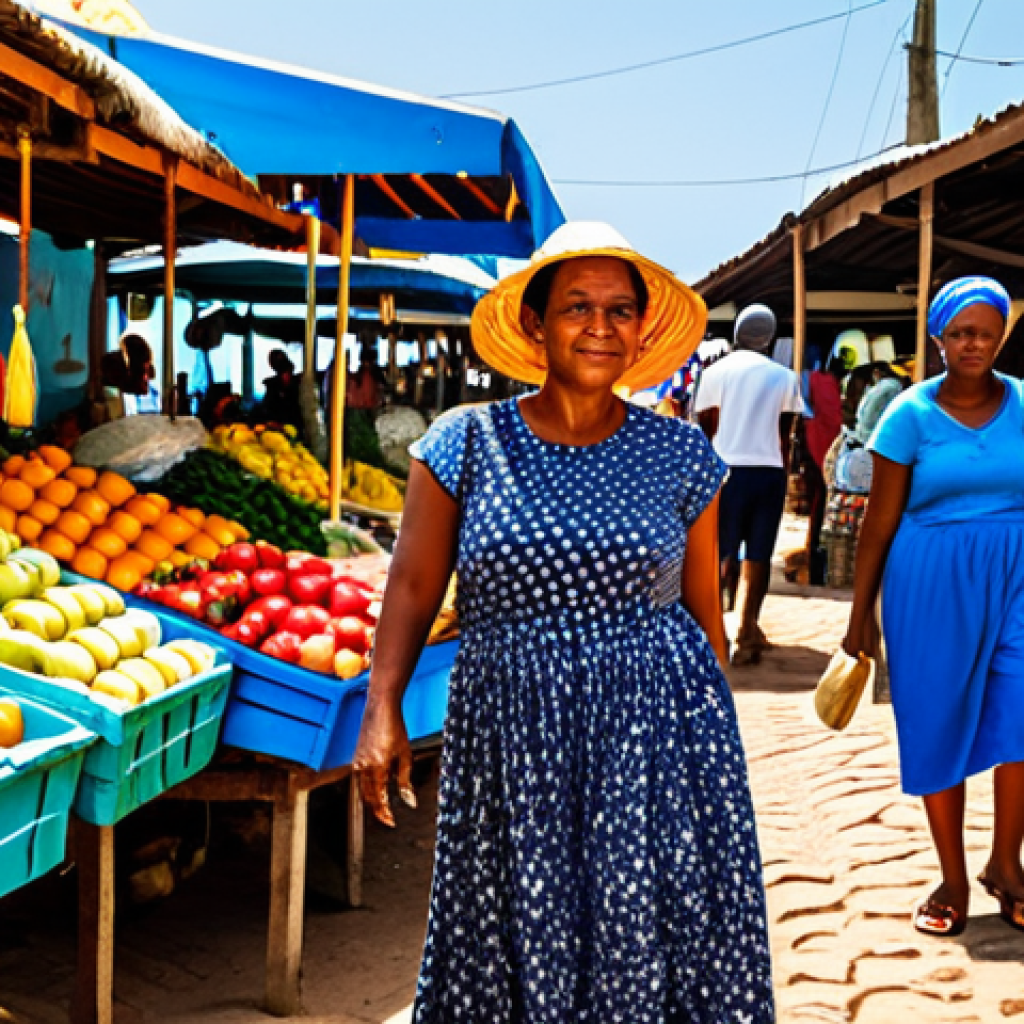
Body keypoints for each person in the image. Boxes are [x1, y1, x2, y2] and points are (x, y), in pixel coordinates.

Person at [353, 222, 774, 1022]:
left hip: (647, 737)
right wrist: (382, 709)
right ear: (534, 323)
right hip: (511, 736)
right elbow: (411, 586)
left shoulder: (682, 454)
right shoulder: (466, 443)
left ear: (642, 332)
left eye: (620, 310)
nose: (600, 326)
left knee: (637, 929)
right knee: (515, 927)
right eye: (577, 306)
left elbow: (704, 622)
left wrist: (709, 766)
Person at [843, 276, 1024, 938]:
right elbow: (878, 523)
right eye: (959, 332)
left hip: (1018, 577)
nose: (973, 343)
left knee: (1022, 713)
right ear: (939, 338)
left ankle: (1007, 864)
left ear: (1002, 334)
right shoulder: (908, 416)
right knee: (939, 717)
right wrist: (859, 617)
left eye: (985, 330)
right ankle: (951, 876)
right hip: (930, 582)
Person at [694, 303, 804, 664]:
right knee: (758, 555)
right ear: (770, 337)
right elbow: (786, 432)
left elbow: (706, 426)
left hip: (725, 470)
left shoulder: (715, 373)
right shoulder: (784, 376)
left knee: (718, 552)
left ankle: (714, 631)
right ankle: (747, 629)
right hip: (768, 470)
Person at [803, 356, 845, 583]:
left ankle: (815, 550)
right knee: (821, 502)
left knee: (819, 504)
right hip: (821, 447)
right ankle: (816, 551)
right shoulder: (824, 384)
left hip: (818, 446)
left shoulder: (818, 382)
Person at [258, 348, 302, 431]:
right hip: (279, 428)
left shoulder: (298, 384)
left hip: (293, 427)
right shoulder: (272, 385)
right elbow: (267, 409)